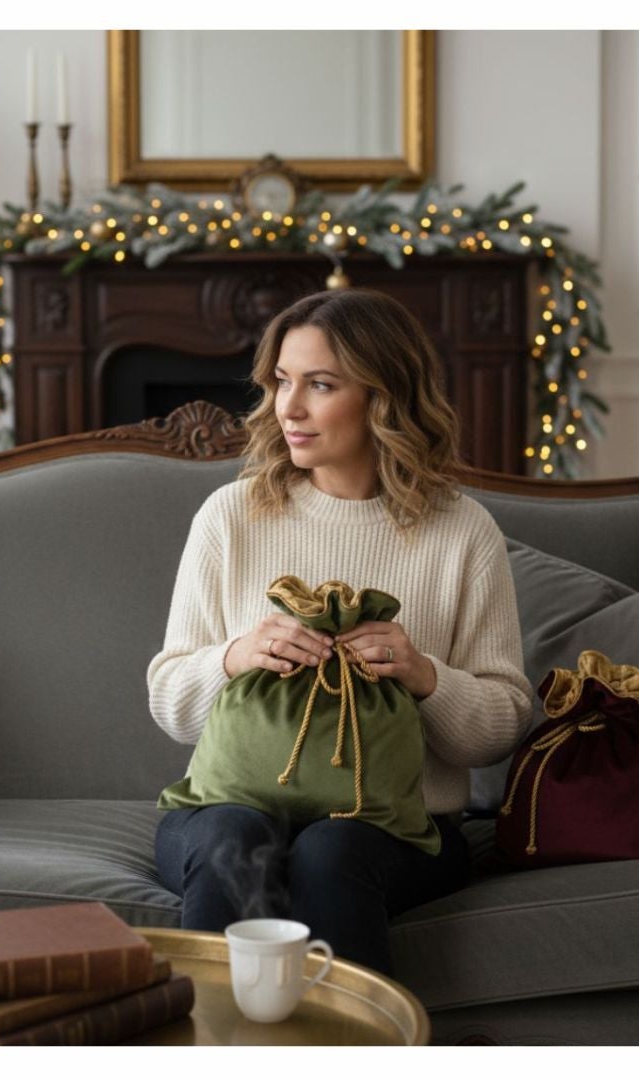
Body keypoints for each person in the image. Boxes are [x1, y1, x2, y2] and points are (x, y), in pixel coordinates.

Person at [146, 288, 532, 975]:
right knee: (236, 835)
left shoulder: (462, 531)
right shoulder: (230, 516)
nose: (287, 407)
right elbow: (170, 704)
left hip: (399, 830)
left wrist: (423, 676)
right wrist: (236, 657)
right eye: (281, 381)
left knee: (330, 850)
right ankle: (210, 1034)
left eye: (319, 385)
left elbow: (501, 725)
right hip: (224, 810)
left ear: (385, 398)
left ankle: (346, 1036)